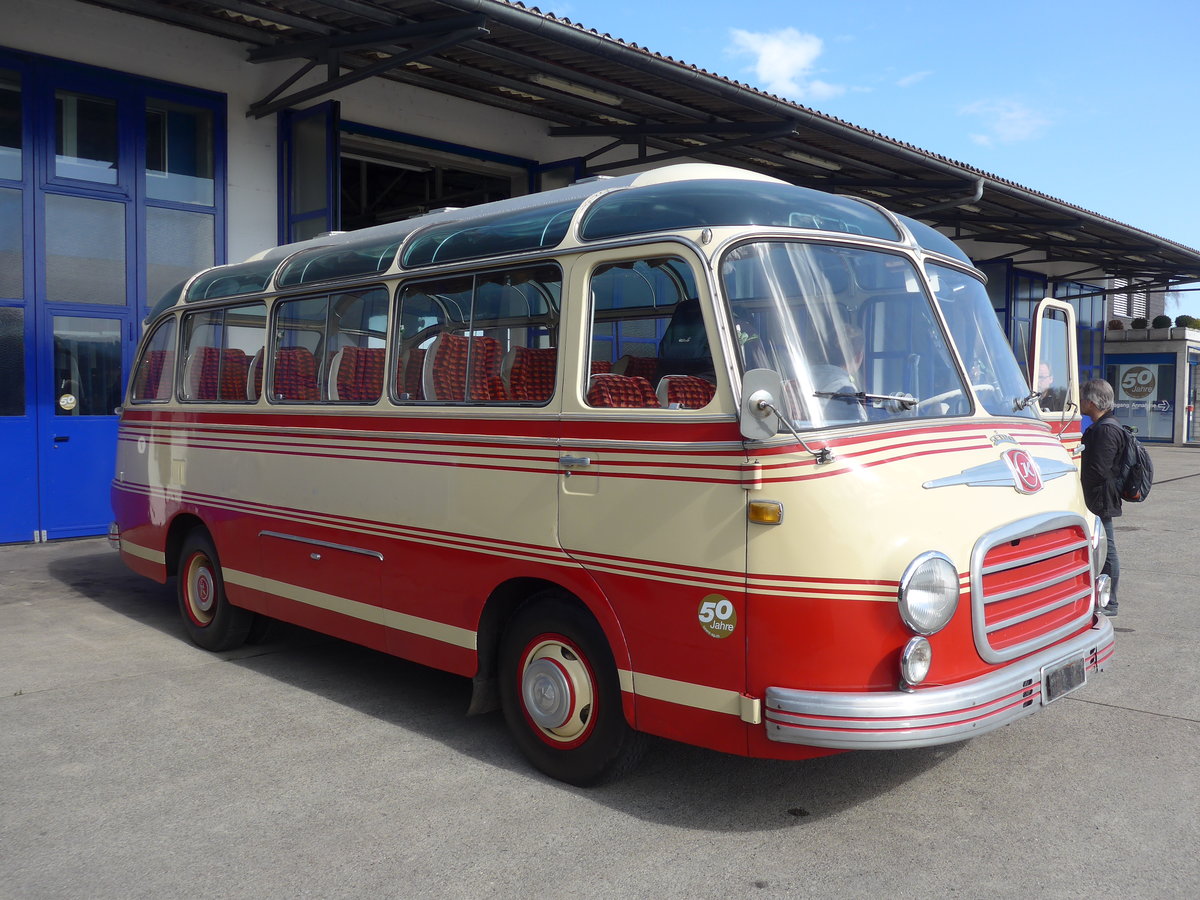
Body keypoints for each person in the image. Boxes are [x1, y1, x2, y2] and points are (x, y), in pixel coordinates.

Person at [1079, 378, 1124, 616]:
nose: (1080, 401)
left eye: (1083, 398)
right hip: (1100, 496)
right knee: (1103, 547)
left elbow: (1099, 470)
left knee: (1107, 549)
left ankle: (1110, 602)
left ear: (1092, 402)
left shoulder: (1105, 430)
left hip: (1101, 498)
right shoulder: (1104, 426)